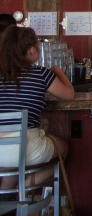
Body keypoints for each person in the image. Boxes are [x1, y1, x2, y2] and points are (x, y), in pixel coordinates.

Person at [0, 27, 73, 187]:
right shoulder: (40, 74)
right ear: (32, 51)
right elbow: (69, 94)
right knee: (64, 148)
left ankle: (7, 201)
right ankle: (24, 185)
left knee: (10, 164)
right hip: (29, 147)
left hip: (1, 150)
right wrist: (59, 73)